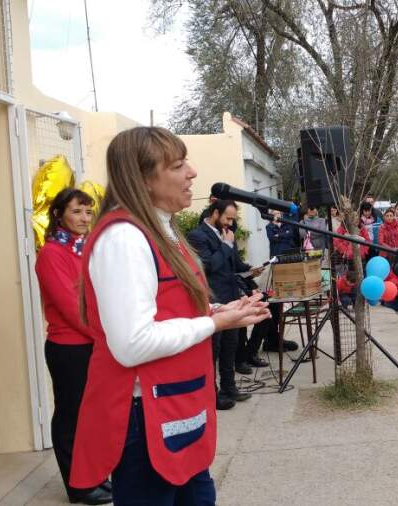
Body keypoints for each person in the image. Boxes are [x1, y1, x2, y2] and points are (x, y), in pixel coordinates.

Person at [70, 127, 270, 502]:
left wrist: (218, 310)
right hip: (147, 416)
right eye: (178, 166)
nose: (192, 173)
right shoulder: (125, 238)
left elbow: (168, 307)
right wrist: (212, 323)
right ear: (143, 178)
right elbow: (132, 343)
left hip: (174, 407)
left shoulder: (160, 229)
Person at [35, 189, 112, 505]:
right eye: (77, 211)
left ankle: (93, 476)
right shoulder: (51, 253)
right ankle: (78, 486)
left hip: (92, 343)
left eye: (88, 212)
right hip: (69, 347)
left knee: (91, 416)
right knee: (72, 416)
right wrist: (105, 335)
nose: (84, 218)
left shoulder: (85, 249)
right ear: (59, 215)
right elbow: (71, 307)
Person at [188, 199, 263, 409]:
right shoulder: (197, 236)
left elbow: (234, 264)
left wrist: (250, 270)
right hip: (214, 299)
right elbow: (209, 266)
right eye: (227, 218)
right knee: (214, 349)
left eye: (233, 219)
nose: (230, 223)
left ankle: (230, 388)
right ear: (215, 213)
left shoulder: (227, 234)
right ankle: (212, 394)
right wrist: (226, 245)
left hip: (231, 297)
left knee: (231, 346)